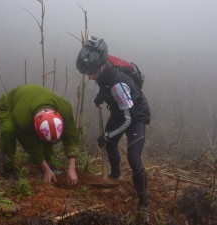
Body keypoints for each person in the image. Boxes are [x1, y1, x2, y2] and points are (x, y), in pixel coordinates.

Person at [76, 36, 151, 222]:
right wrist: (101, 95)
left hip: (135, 115)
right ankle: (115, 175)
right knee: (109, 146)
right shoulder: (103, 66)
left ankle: (144, 203)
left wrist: (107, 135)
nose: (90, 77)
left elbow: (127, 120)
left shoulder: (118, 83)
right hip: (120, 108)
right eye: (87, 73)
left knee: (133, 159)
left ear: (101, 66)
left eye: (92, 73)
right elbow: (104, 84)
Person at [0, 84, 80, 185]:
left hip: (33, 99)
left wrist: (72, 168)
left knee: (48, 137)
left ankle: (49, 164)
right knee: (9, 131)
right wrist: (45, 169)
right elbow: (31, 146)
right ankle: (8, 167)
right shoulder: (23, 120)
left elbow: (72, 138)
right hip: (11, 104)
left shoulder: (65, 109)